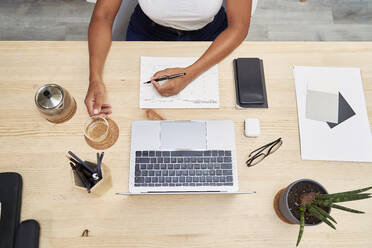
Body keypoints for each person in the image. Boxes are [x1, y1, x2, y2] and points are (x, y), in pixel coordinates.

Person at [85, 0, 252, 116]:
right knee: (131, 108)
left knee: (210, 111)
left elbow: (239, 26)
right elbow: (103, 16)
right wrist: (95, 78)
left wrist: (189, 74)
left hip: (211, 35)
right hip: (148, 31)